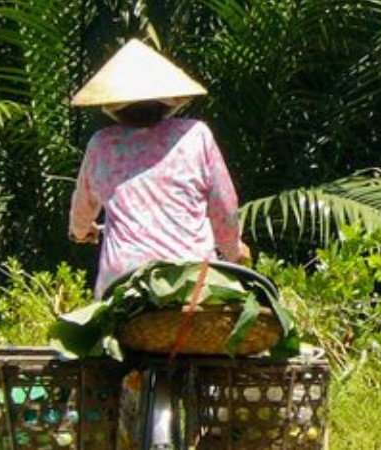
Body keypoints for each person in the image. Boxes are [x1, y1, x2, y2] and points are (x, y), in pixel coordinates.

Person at [68, 40, 249, 301]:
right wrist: (234, 250)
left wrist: (81, 231)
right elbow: (224, 206)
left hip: (124, 286)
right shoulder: (196, 135)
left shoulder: (102, 144)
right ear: (169, 102)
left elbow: (82, 209)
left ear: (113, 106)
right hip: (192, 281)